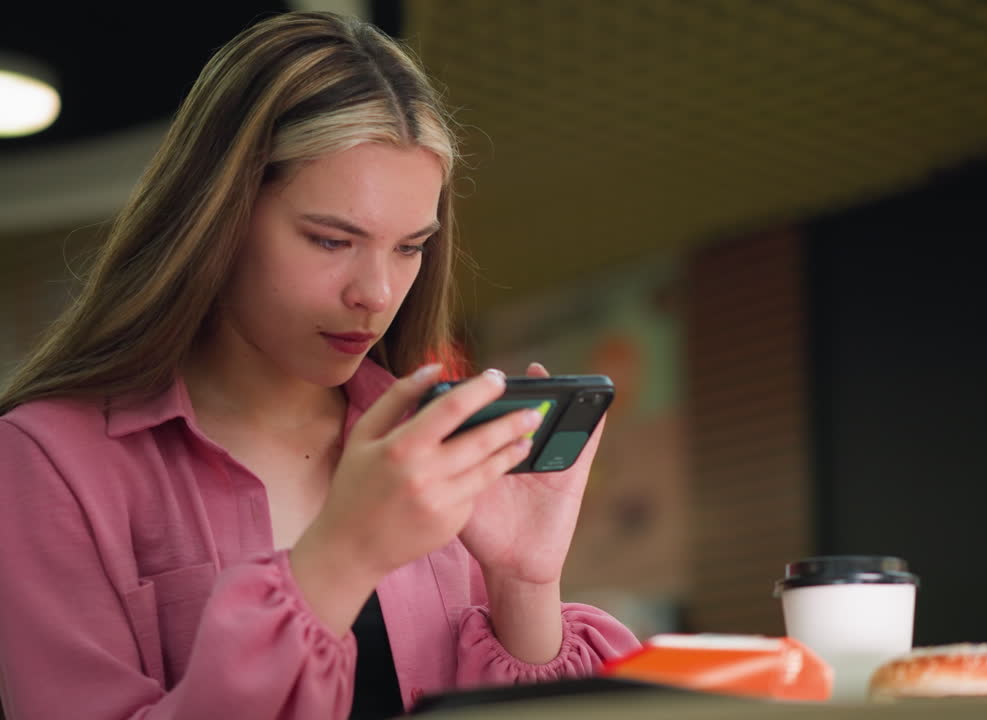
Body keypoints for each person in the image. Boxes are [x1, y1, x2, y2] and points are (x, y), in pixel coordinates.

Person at [0, 11, 639, 720]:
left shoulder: (424, 446)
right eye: (332, 241)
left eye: (409, 247)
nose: (378, 294)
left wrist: (522, 582)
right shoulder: (50, 462)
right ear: (218, 219)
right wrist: (338, 560)